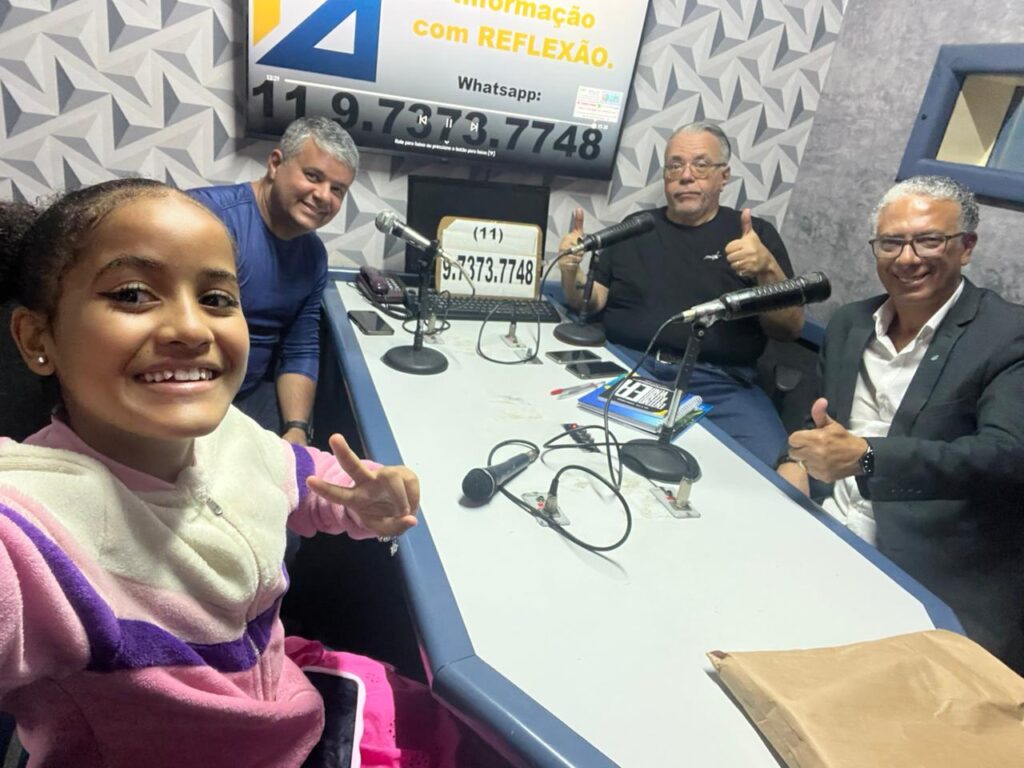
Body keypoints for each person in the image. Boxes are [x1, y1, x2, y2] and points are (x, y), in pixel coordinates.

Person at [0, 181, 477, 766]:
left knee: (467, 729)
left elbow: (303, 478)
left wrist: (359, 498)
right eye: (132, 294)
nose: (192, 328)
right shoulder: (33, 534)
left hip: (285, 706)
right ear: (37, 338)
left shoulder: (232, 433)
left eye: (217, 299)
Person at [779, 176, 1024, 674]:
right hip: (822, 528)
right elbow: (818, 420)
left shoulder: (1008, 335)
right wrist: (794, 462)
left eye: (929, 240)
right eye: (891, 242)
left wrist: (870, 458)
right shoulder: (850, 323)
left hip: (926, 566)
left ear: (966, 247)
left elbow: (1006, 454)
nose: (907, 258)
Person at [558, 121, 803, 466]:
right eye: (675, 165)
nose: (686, 176)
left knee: (778, 470)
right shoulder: (636, 227)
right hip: (629, 368)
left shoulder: (754, 236)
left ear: (724, 176)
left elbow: (789, 329)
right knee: (576, 447)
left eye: (701, 165)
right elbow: (592, 301)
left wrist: (766, 269)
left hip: (720, 385)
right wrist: (571, 271)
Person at [189, 117, 359, 447]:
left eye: (337, 189)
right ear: (275, 164)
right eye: (313, 176)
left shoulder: (313, 256)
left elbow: (300, 346)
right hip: (187, 387)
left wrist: (296, 428)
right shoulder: (207, 219)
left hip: (250, 392)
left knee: (303, 465)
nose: (323, 196)